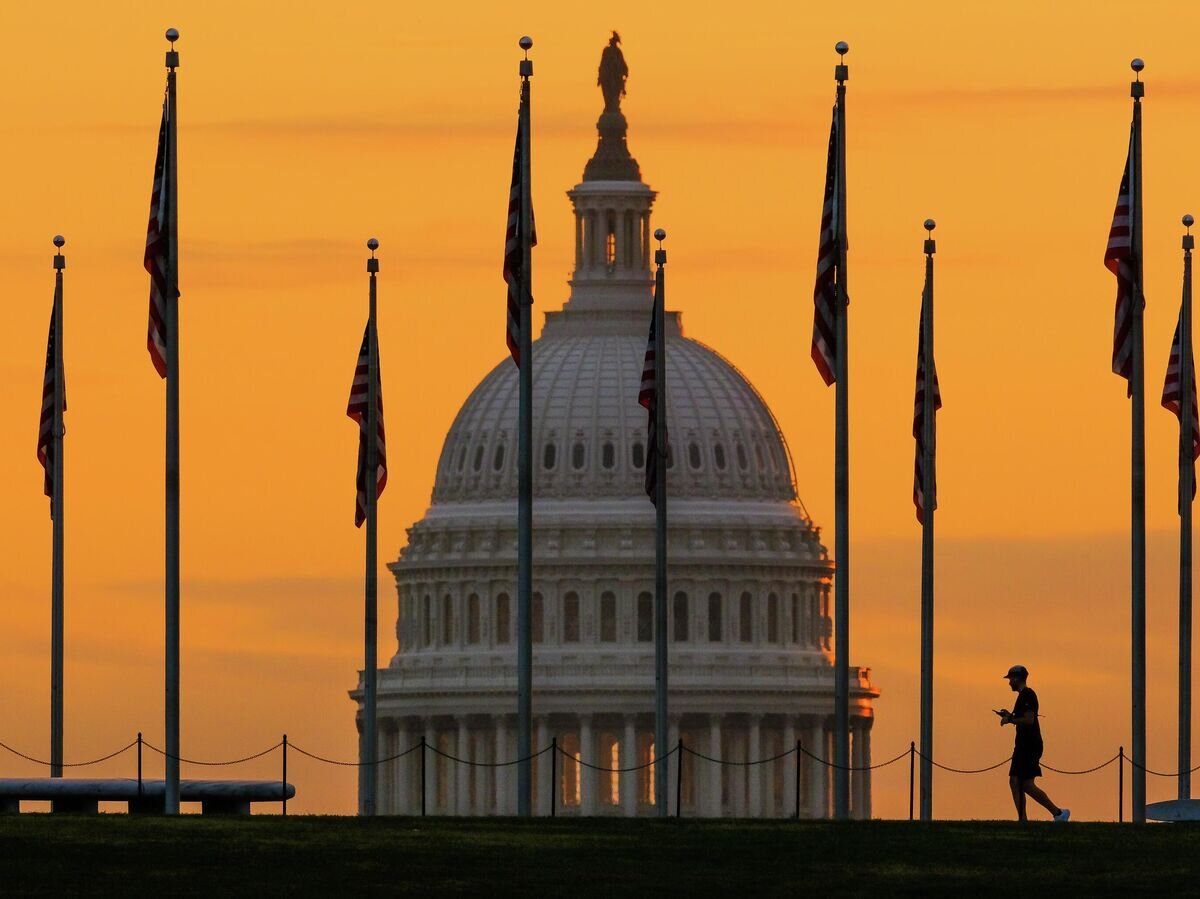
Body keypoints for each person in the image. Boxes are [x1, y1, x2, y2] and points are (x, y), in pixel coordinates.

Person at [996, 665, 1069, 822]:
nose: (1009, 683)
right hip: (1024, 745)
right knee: (1017, 782)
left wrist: (1009, 719)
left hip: (1029, 745)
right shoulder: (1023, 696)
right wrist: (1010, 715)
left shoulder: (1028, 695)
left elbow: (1029, 720)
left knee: (1022, 783)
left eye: (1010, 679)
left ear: (1016, 679)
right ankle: (1029, 818)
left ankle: (1057, 813)